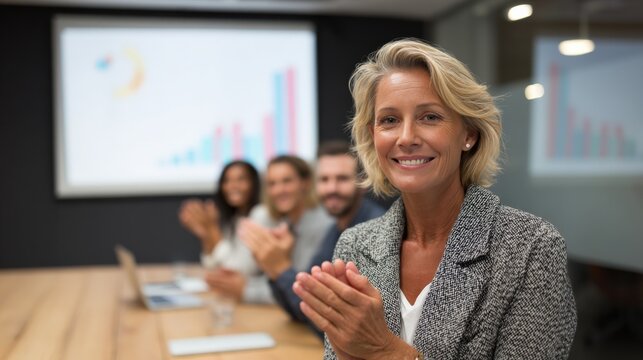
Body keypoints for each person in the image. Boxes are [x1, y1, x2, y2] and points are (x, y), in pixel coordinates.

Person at [292, 38, 577, 359]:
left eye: (430, 117)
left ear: (469, 134)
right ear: (372, 135)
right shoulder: (355, 244)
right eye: (389, 120)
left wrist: (386, 351)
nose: (406, 137)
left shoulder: (531, 248)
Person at [242, 140, 385, 336]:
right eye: (324, 180)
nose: (331, 188)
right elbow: (304, 308)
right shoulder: (336, 229)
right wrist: (274, 269)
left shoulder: (375, 230)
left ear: (363, 182)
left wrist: (280, 268)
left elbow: (337, 323)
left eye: (342, 179)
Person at [211, 155, 334, 303]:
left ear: (306, 183)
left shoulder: (321, 224)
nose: (279, 190)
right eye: (272, 184)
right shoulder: (287, 222)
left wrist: (246, 289)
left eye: (286, 181)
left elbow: (303, 290)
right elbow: (281, 280)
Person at [178, 160, 261, 278]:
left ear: (254, 183)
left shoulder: (260, 215)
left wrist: (212, 228)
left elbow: (236, 270)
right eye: (227, 181)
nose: (232, 186)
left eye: (240, 180)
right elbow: (210, 264)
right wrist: (205, 234)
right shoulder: (234, 219)